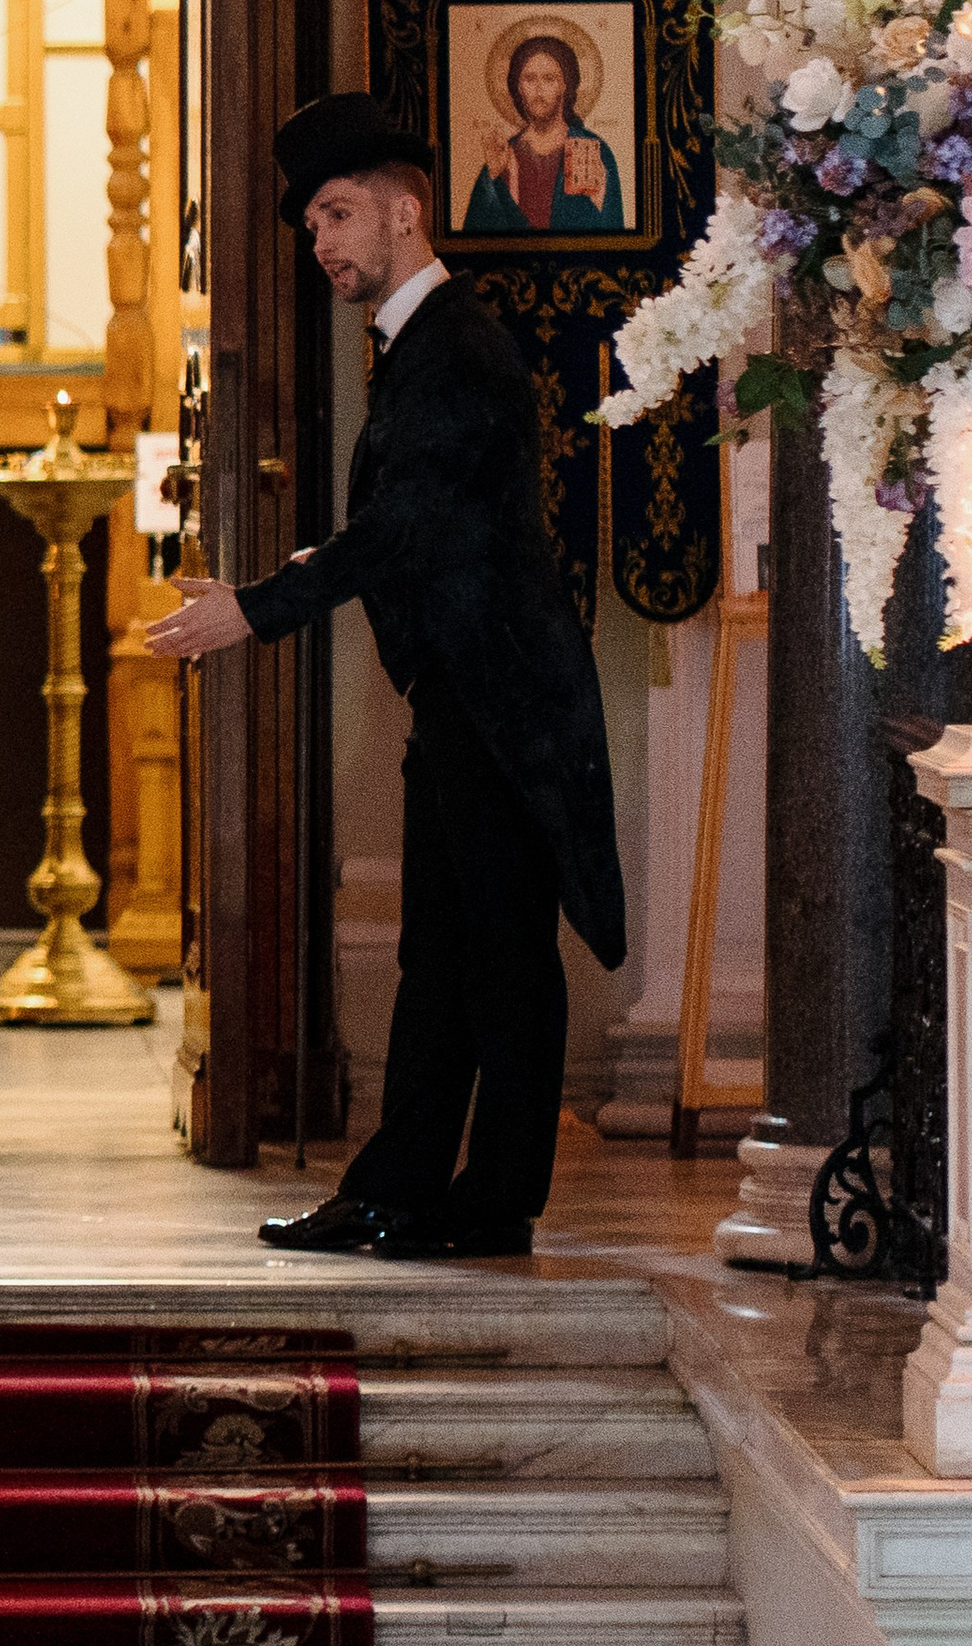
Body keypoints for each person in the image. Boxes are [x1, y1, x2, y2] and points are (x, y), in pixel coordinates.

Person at [151, 93, 626, 1260]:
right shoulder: (426, 344)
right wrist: (313, 564)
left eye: (337, 214)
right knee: (459, 951)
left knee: (489, 953)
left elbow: (407, 524)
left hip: (497, 698)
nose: (321, 243)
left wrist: (252, 610)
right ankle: (428, 1193)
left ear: (406, 211)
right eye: (313, 222)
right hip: (476, 693)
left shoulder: (451, 347)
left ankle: (454, 1196)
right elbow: (421, 520)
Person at [461, 29, 624, 234]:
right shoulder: (504, 154)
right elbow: (475, 235)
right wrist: (492, 179)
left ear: (564, 86)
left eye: (549, 79)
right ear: (518, 87)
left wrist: (600, 198)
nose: (539, 89)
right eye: (529, 79)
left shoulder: (594, 151)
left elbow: (614, 233)